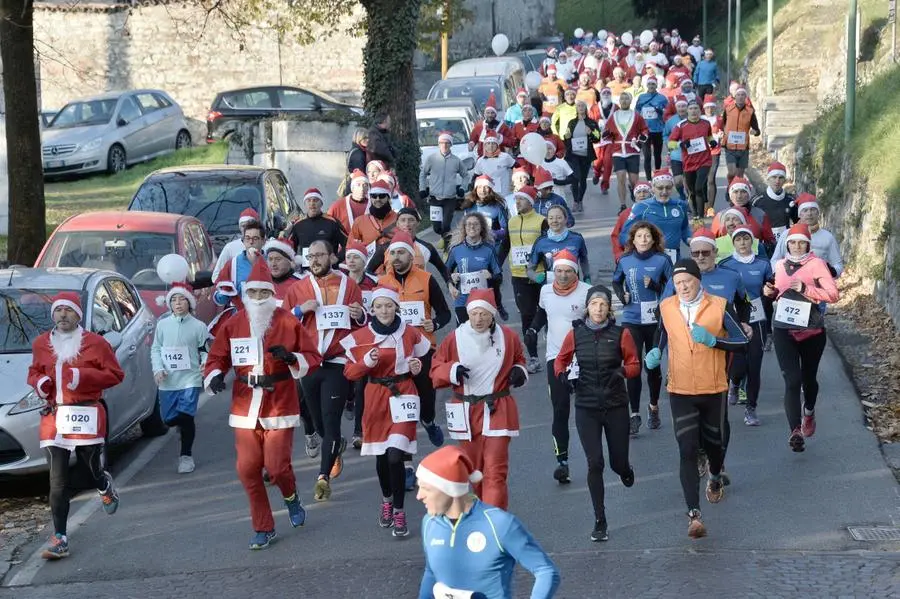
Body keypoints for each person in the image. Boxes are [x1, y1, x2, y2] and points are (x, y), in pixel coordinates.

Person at [204, 260, 321, 549]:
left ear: (271, 294)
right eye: (253, 293)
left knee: (277, 467)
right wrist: (216, 375)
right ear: (246, 294)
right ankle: (263, 527)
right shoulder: (233, 323)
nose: (258, 299)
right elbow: (216, 356)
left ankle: (291, 497)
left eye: (263, 293)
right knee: (247, 468)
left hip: (279, 401)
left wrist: (292, 358)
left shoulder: (286, 320)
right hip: (245, 404)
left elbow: (313, 356)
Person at [644, 259, 748, 538]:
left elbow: (742, 342)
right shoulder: (666, 306)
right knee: (687, 449)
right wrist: (655, 352)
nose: (683, 287)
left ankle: (714, 475)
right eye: (678, 283)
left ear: (698, 280)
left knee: (716, 445)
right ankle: (694, 514)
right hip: (680, 390)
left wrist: (715, 341)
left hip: (713, 387)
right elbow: (661, 333)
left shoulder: (720, 305)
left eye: (687, 281)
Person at [29, 292, 125, 560]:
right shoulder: (41, 344)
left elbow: (116, 374)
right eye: (58, 310)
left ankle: (103, 485)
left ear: (78, 315)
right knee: (57, 481)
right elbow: (34, 371)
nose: (62, 315)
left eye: (68, 310)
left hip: (86, 414)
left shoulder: (95, 343)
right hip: (54, 418)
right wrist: (40, 383)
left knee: (91, 470)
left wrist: (83, 376)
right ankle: (60, 538)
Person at [342, 285, 432, 537]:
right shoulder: (361, 336)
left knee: (395, 455)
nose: (384, 310)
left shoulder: (410, 333)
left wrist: (416, 367)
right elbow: (349, 373)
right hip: (375, 398)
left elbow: (426, 362)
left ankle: (400, 512)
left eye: (389, 305)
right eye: (379, 306)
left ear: (396, 307)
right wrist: (366, 363)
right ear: (372, 310)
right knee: (382, 458)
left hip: (404, 393)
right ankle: (387, 500)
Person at [553, 285, 640, 541]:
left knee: (616, 462)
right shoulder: (576, 333)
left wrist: (623, 372)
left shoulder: (620, 333)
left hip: (615, 406)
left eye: (603, 304)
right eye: (594, 304)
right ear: (587, 308)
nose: (599, 309)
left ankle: (625, 469)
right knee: (595, 463)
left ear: (609, 308)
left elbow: (634, 363)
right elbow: (561, 359)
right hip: (587, 407)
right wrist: (562, 376)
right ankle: (600, 519)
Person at [282, 240, 367, 501]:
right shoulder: (297, 289)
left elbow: (361, 323)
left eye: (320, 255)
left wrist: (360, 313)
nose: (316, 260)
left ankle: (323, 478)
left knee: (330, 420)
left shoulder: (349, 286)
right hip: (308, 362)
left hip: (337, 361)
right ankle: (335, 445)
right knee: (319, 423)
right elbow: (282, 324)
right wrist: (299, 310)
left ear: (332, 256)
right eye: (311, 255)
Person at [416, 446, 560, 599]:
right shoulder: (429, 523)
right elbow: (431, 572)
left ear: (450, 489)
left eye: (426, 489)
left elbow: (546, 571)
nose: (419, 496)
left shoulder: (499, 524)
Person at [430, 290, 529, 510]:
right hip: (466, 412)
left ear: (492, 314)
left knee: (495, 472)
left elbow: (519, 359)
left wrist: (519, 371)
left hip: (498, 409)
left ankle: (494, 523)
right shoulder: (454, 338)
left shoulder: (508, 337)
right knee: (475, 473)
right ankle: (480, 512)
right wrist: (452, 371)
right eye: (474, 314)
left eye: (483, 314)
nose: (478, 319)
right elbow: (435, 370)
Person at [765, 223, 839, 451]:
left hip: (812, 330)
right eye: (792, 242)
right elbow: (779, 291)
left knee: (808, 380)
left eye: (801, 243)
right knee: (792, 381)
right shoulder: (779, 264)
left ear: (808, 244)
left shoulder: (817, 264)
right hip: (783, 328)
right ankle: (795, 431)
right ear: (786, 244)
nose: (797, 247)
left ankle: (809, 411)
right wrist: (770, 292)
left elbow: (833, 294)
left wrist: (806, 289)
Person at [379, 231, 452, 446]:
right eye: (393, 253)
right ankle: (405, 456)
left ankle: (428, 421)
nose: (397, 257)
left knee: (426, 397)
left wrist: (435, 324)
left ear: (412, 256)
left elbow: (445, 313)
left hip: (423, 347)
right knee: (401, 406)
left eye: (402, 252)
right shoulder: (382, 282)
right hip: (393, 348)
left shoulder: (426, 280)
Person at [526, 251, 592, 484]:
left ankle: (594, 458)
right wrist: (533, 329)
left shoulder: (586, 292)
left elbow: (598, 319)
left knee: (588, 409)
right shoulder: (545, 291)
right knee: (560, 409)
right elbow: (541, 314)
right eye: (559, 271)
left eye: (568, 271)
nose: (563, 276)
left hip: (583, 356)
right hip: (556, 357)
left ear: (576, 272)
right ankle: (562, 462)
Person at [612, 221, 673, 434]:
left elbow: (672, 287)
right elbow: (616, 282)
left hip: (656, 320)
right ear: (633, 240)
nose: (644, 240)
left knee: (652, 365)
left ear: (654, 238)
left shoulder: (663, 260)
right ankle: (634, 413)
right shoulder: (625, 260)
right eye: (639, 236)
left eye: (647, 236)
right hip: (632, 318)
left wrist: (655, 286)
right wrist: (622, 295)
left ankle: (653, 406)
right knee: (633, 365)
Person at [151, 281, 209, 474]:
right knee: (168, 420)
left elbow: (204, 349)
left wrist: (205, 363)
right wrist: (158, 369)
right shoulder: (162, 325)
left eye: (182, 299)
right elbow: (156, 349)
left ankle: (186, 456)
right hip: (168, 381)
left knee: (186, 417)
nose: (178, 303)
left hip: (189, 379)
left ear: (189, 303)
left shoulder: (199, 326)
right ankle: (180, 427)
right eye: (174, 299)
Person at [719, 227, 774, 426]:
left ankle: (751, 408)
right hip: (734, 318)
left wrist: (771, 291)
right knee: (737, 364)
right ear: (733, 243)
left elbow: (772, 288)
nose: (742, 243)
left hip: (757, 317)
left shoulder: (763, 264)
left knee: (755, 365)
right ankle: (734, 383)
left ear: (752, 242)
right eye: (738, 239)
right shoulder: (725, 265)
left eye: (746, 239)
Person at [507, 186, 548, 373]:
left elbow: (547, 247)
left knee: (546, 311)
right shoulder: (512, 222)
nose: (517, 203)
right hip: (519, 276)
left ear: (530, 202)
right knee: (526, 315)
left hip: (539, 276)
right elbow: (505, 246)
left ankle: (549, 336)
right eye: (516, 200)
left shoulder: (541, 221)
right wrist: (495, 269)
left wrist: (544, 268)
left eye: (521, 199)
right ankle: (532, 356)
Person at [620, 168, 692, 263]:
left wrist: (690, 240)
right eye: (660, 188)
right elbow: (624, 234)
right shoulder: (642, 207)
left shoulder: (680, 205)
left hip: (674, 257)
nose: (664, 192)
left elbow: (684, 228)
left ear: (673, 187)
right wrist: (638, 247)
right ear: (653, 188)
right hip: (649, 257)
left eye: (668, 187)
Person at [211, 221, 267, 338]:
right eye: (247, 238)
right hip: (241, 322)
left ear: (263, 241)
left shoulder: (270, 262)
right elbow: (219, 297)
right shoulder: (233, 264)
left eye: (255, 238)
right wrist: (224, 294)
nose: (251, 242)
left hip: (267, 321)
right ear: (243, 241)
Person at [446, 212, 504, 322]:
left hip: (483, 302)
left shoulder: (489, 249)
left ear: (482, 227)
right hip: (462, 301)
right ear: (464, 227)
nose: (472, 227)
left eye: (476, 224)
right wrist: (451, 283)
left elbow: (499, 276)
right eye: (468, 224)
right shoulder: (456, 249)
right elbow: (445, 271)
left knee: (484, 335)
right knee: (464, 335)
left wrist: (490, 276)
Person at [366, 207, 450, 281]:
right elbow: (368, 271)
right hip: (393, 296)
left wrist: (450, 284)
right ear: (397, 224)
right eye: (403, 220)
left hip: (418, 295)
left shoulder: (427, 248)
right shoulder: (385, 248)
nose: (407, 224)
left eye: (411, 220)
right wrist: (381, 281)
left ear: (418, 223)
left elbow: (443, 269)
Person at [769, 194, 843, 276]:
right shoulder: (787, 234)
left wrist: (830, 271)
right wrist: (780, 275)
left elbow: (838, 265)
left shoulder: (828, 237)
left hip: (818, 286)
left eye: (813, 209)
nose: (809, 213)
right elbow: (774, 260)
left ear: (818, 213)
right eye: (805, 210)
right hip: (790, 284)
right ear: (799, 214)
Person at [668, 99, 716, 219]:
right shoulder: (681, 125)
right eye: (691, 109)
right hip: (689, 162)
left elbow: (709, 135)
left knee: (699, 187)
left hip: (705, 160)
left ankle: (700, 216)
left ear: (700, 111)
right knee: (692, 191)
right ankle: (695, 215)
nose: (693, 111)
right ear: (687, 111)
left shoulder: (705, 123)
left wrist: (712, 141)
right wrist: (681, 144)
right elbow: (670, 143)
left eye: (696, 109)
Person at [420, 130, 468, 249]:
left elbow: (465, 175)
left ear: (451, 144)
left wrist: (462, 188)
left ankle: (448, 247)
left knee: (446, 225)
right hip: (434, 198)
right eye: (442, 143)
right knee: (437, 228)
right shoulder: (432, 159)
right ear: (438, 144)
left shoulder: (456, 160)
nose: (444, 145)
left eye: (447, 143)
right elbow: (423, 174)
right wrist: (422, 188)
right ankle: (447, 238)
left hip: (450, 198)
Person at [603, 92, 649, 213]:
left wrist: (639, 142)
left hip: (632, 151)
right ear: (619, 101)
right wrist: (606, 134)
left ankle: (635, 197)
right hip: (618, 151)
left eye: (626, 99)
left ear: (630, 101)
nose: (624, 101)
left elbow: (644, 130)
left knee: (634, 180)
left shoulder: (637, 116)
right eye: (622, 99)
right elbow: (606, 130)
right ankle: (623, 205)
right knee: (621, 177)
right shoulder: (614, 116)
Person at [528, 205, 590, 284]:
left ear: (566, 219)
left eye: (559, 218)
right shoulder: (541, 242)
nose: (554, 221)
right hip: (551, 287)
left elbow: (584, 260)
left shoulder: (577, 239)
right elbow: (530, 269)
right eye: (551, 218)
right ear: (547, 220)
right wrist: (536, 277)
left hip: (574, 286)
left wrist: (587, 276)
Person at [288, 188, 348, 270]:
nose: (312, 203)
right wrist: (294, 261)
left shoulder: (332, 222)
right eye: (309, 200)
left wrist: (337, 258)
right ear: (305, 204)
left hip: (330, 270)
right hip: (306, 272)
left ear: (321, 203)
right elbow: (288, 247)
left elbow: (349, 244)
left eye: (315, 200)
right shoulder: (298, 224)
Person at [711, 178, 775, 250]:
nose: (739, 196)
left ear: (749, 194)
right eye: (735, 192)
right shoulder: (720, 216)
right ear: (730, 195)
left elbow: (770, 242)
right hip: (727, 259)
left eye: (743, 192)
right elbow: (711, 243)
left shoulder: (760, 215)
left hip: (754, 259)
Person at [561, 100, 602, 211]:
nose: (580, 107)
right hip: (573, 155)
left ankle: (580, 200)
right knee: (576, 177)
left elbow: (597, 138)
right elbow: (566, 137)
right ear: (576, 108)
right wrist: (566, 137)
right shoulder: (571, 122)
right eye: (578, 106)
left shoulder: (592, 123)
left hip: (586, 155)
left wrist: (590, 133)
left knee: (583, 179)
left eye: (583, 105)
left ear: (585, 108)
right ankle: (575, 201)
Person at [462, 176, 510, 264]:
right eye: (479, 187)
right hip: (474, 247)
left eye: (486, 187)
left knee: (491, 275)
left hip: (493, 247)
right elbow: (464, 229)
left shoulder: (498, 207)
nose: (482, 190)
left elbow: (506, 230)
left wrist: (492, 234)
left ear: (490, 189)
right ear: (475, 189)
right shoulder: (469, 206)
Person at [751, 161, 798, 249]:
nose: (777, 181)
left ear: (784, 180)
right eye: (774, 177)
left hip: (784, 245)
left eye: (781, 178)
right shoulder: (757, 200)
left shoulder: (790, 200)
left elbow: (799, 222)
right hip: (764, 246)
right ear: (768, 178)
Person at [719, 86, 760, 184]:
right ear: (734, 97)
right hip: (730, 146)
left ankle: (735, 194)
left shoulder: (750, 111)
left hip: (743, 147)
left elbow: (757, 129)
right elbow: (723, 124)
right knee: (732, 172)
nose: (740, 97)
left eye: (742, 95)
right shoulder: (728, 109)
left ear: (746, 97)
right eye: (738, 95)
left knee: (740, 176)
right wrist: (722, 132)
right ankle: (730, 186)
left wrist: (755, 132)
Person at [349, 180, 399, 258]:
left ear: (388, 198)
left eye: (382, 196)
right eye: (374, 196)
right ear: (370, 198)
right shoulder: (359, 221)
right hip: (369, 267)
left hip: (395, 265)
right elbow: (350, 248)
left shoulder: (399, 219)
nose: (377, 199)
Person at [213, 208, 264, 281]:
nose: (246, 229)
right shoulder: (230, 247)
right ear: (239, 228)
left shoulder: (266, 247)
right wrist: (232, 287)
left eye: (249, 226)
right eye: (243, 226)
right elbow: (216, 276)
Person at [635, 78, 669, 180]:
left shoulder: (662, 98)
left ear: (656, 85)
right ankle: (649, 179)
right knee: (647, 156)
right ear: (647, 85)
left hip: (658, 130)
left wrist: (660, 111)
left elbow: (667, 113)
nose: (651, 86)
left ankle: (657, 175)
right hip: (645, 131)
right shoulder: (641, 97)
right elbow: (637, 112)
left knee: (657, 155)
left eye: (653, 84)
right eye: (649, 84)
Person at [610, 180, 652, 262]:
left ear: (651, 195)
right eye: (638, 192)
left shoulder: (655, 212)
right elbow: (615, 236)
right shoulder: (626, 214)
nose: (642, 195)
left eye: (645, 192)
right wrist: (619, 254)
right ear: (634, 196)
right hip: (630, 255)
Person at [663, 99, 689, 207]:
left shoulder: (692, 119)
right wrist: (668, 144)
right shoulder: (671, 121)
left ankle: (689, 202)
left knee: (687, 181)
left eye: (684, 106)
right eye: (679, 106)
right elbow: (665, 134)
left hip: (691, 155)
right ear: (676, 108)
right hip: (676, 155)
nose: (682, 108)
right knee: (678, 181)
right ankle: (682, 195)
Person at [473, 130, 516, 197]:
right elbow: (476, 176)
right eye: (488, 143)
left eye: (493, 143)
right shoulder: (480, 161)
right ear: (485, 146)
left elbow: (517, 168)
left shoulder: (505, 157)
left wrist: (514, 181)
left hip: (505, 194)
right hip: (489, 195)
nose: (491, 146)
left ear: (497, 145)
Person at [589, 88, 616, 194]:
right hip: (598, 139)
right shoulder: (594, 108)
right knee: (598, 161)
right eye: (604, 93)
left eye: (608, 93)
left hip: (610, 139)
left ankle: (605, 185)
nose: (606, 94)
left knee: (608, 162)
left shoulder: (616, 107)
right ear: (600, 95)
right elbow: (591, 122)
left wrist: (612, 132)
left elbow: (618, 121)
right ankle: (596, 173)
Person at [328, 169, 369, 235]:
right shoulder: (338, 205)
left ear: (368, 188)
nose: (362, 189)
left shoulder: (372, 205)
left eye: (365, 185)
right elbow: (328, 226)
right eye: (358, 185)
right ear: (352, 188)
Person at [540, 139, 577, 207]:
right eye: (545, 149)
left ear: (554, 150)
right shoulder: (540, 163)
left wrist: (557, 182)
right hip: (544, 199)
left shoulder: (561, 163)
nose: (547, 151)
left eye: (549, 149)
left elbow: (573, 179)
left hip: (559, 197)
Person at [701, 95, 723, 208]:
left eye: (711, 107)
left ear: (714, 108)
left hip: (714, 152)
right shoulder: (700, 119)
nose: (709, 109)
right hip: (701, 153)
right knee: (703, 180)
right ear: (704, 108)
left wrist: (722, 135)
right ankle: (704, 204)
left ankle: (710, 207)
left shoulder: (719, 119)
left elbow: (725, 131)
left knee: (711, 179)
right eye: (707, 107)